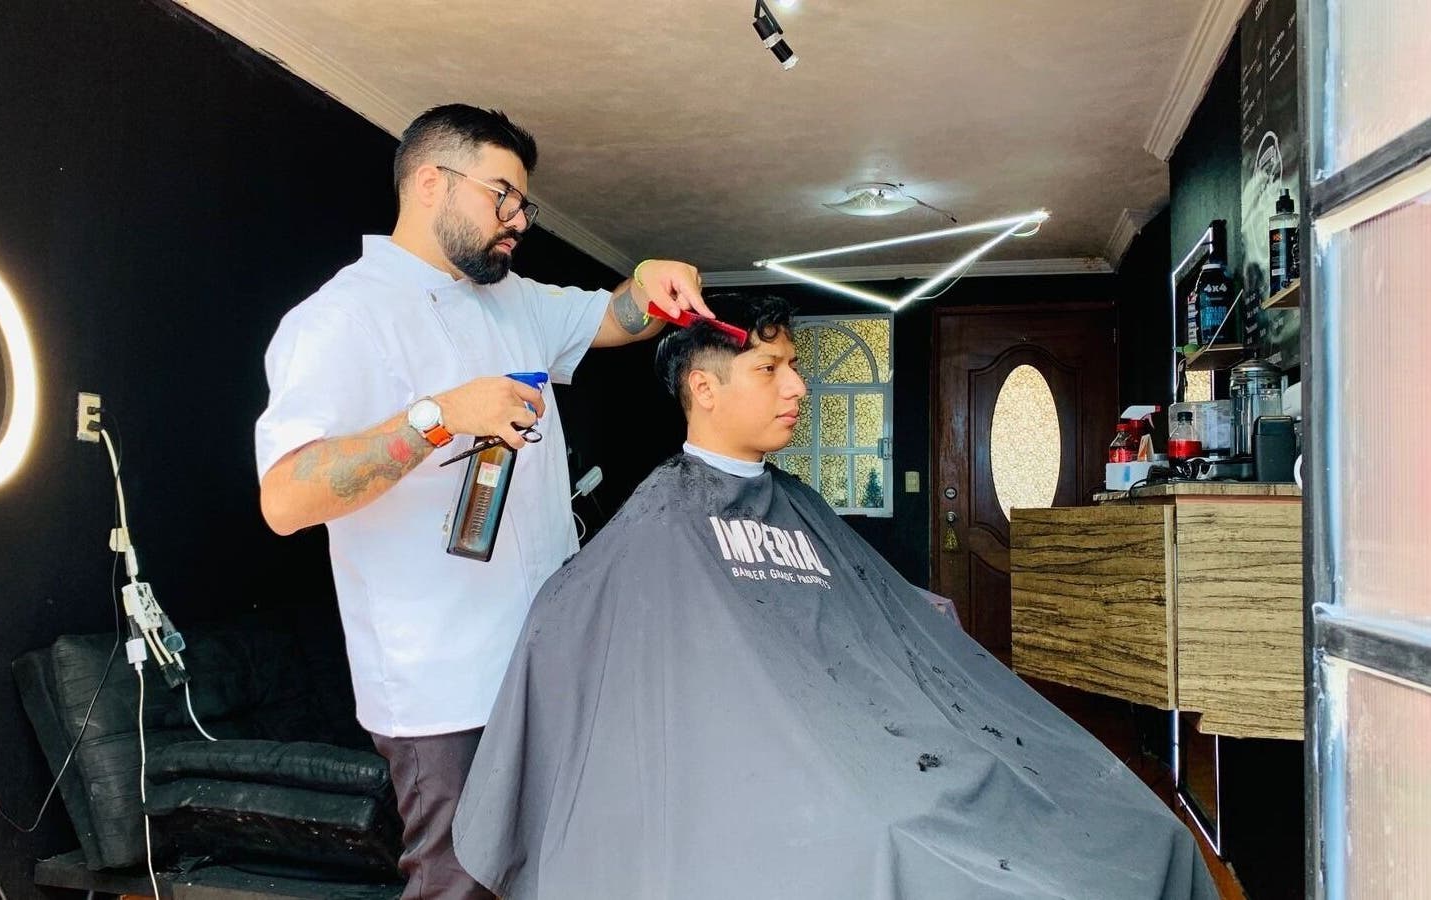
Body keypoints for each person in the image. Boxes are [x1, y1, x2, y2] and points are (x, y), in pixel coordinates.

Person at [452, 297, 1216, 899]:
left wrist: (914, 615)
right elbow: (571, 627)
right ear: (704, 388)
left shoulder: (798, 503)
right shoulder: (660, 523)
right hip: (780, 772)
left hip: (880, 738)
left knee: (1118, 817)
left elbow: (863, 603)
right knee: (882, 832)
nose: (796, 386)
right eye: (769, 369)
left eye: (793, 366)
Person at [253, 103, 712, 900]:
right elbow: (287, 498)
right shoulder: (341, 318)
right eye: (502, 196)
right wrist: (436, 419)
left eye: (522, 203)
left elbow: (615, 317)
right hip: (443, 687)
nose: (518, 220)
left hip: (544, 656)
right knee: (461, 886)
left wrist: (649, 280)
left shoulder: (512, 300)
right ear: (431, 182)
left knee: (554, 872)